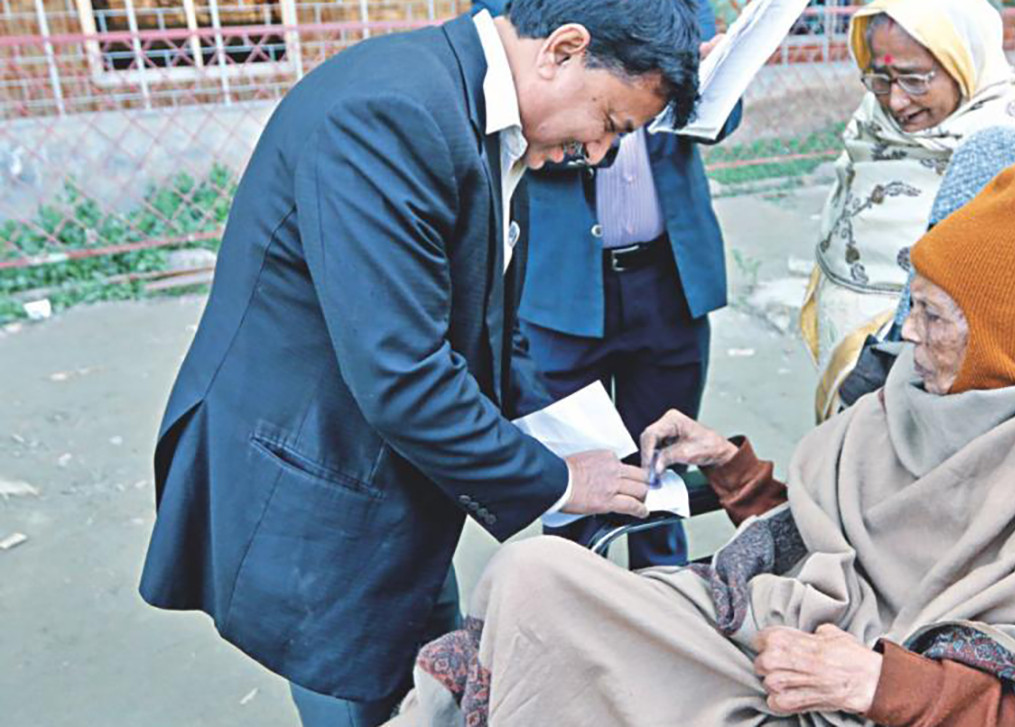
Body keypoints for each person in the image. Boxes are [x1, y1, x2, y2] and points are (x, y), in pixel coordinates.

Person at [391, 159, 1015, 726]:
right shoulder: (915, 390)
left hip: (884, 700)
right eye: (913, 305)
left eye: (933, 316)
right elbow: (841, 532)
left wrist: (884, 683)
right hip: (782, 641)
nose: (907, 335)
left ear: (1004, 336)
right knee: (535, 577)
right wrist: (737, 471)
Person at [137, 2, 704, 725]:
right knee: (363, 699)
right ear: (563, 50)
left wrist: (564, 428)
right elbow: (403, 376)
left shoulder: (473, 111)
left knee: (426, 682)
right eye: (611, 124)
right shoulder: (392, 114)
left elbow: (481, 326)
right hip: (321, 489)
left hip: (389, 485)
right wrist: (560, 477)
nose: (596, 155)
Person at [474, 0, 743, 567]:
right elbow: (508, 112)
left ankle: (665, 604)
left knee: (664, 468)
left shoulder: (686, 5)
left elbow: (722, 120)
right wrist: (604, 110)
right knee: (577, 486)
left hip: (667, 278)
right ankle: (580, 609)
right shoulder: (520, 10)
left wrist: (715, 78)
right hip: (562, 284)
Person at [803, 0, 1015, 421]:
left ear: (963, 61)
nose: (894, 100)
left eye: (913, 79)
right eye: (879, 77)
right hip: (865, 372)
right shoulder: (874, 117)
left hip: (967, 387)